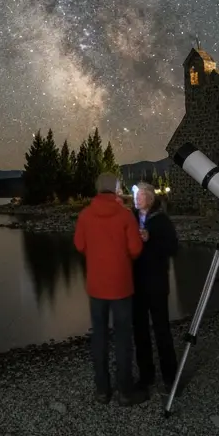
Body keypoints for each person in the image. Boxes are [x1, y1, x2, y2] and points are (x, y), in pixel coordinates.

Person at [73, 172, 148, 405]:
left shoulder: (85, 215)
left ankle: (102, 390)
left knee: (99, 336)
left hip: (96, 286)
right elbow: (135, 249)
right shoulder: (125, 216)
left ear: (97, 189)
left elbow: (79, 245)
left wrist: (96, 253)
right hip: (121, 286)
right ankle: (125, 391)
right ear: (116, 189)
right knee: (123, 338)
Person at [130, 182, 179, 394]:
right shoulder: (130, 218)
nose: (136, 198)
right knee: (140, 331)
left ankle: (170, 377)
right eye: (135, 195)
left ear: (150, 198)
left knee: (161, 331)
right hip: (136, 284)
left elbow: (173, 248)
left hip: (157, 283)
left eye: (140, 195)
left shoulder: (161, 220)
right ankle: (146, 376)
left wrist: (151, 239)